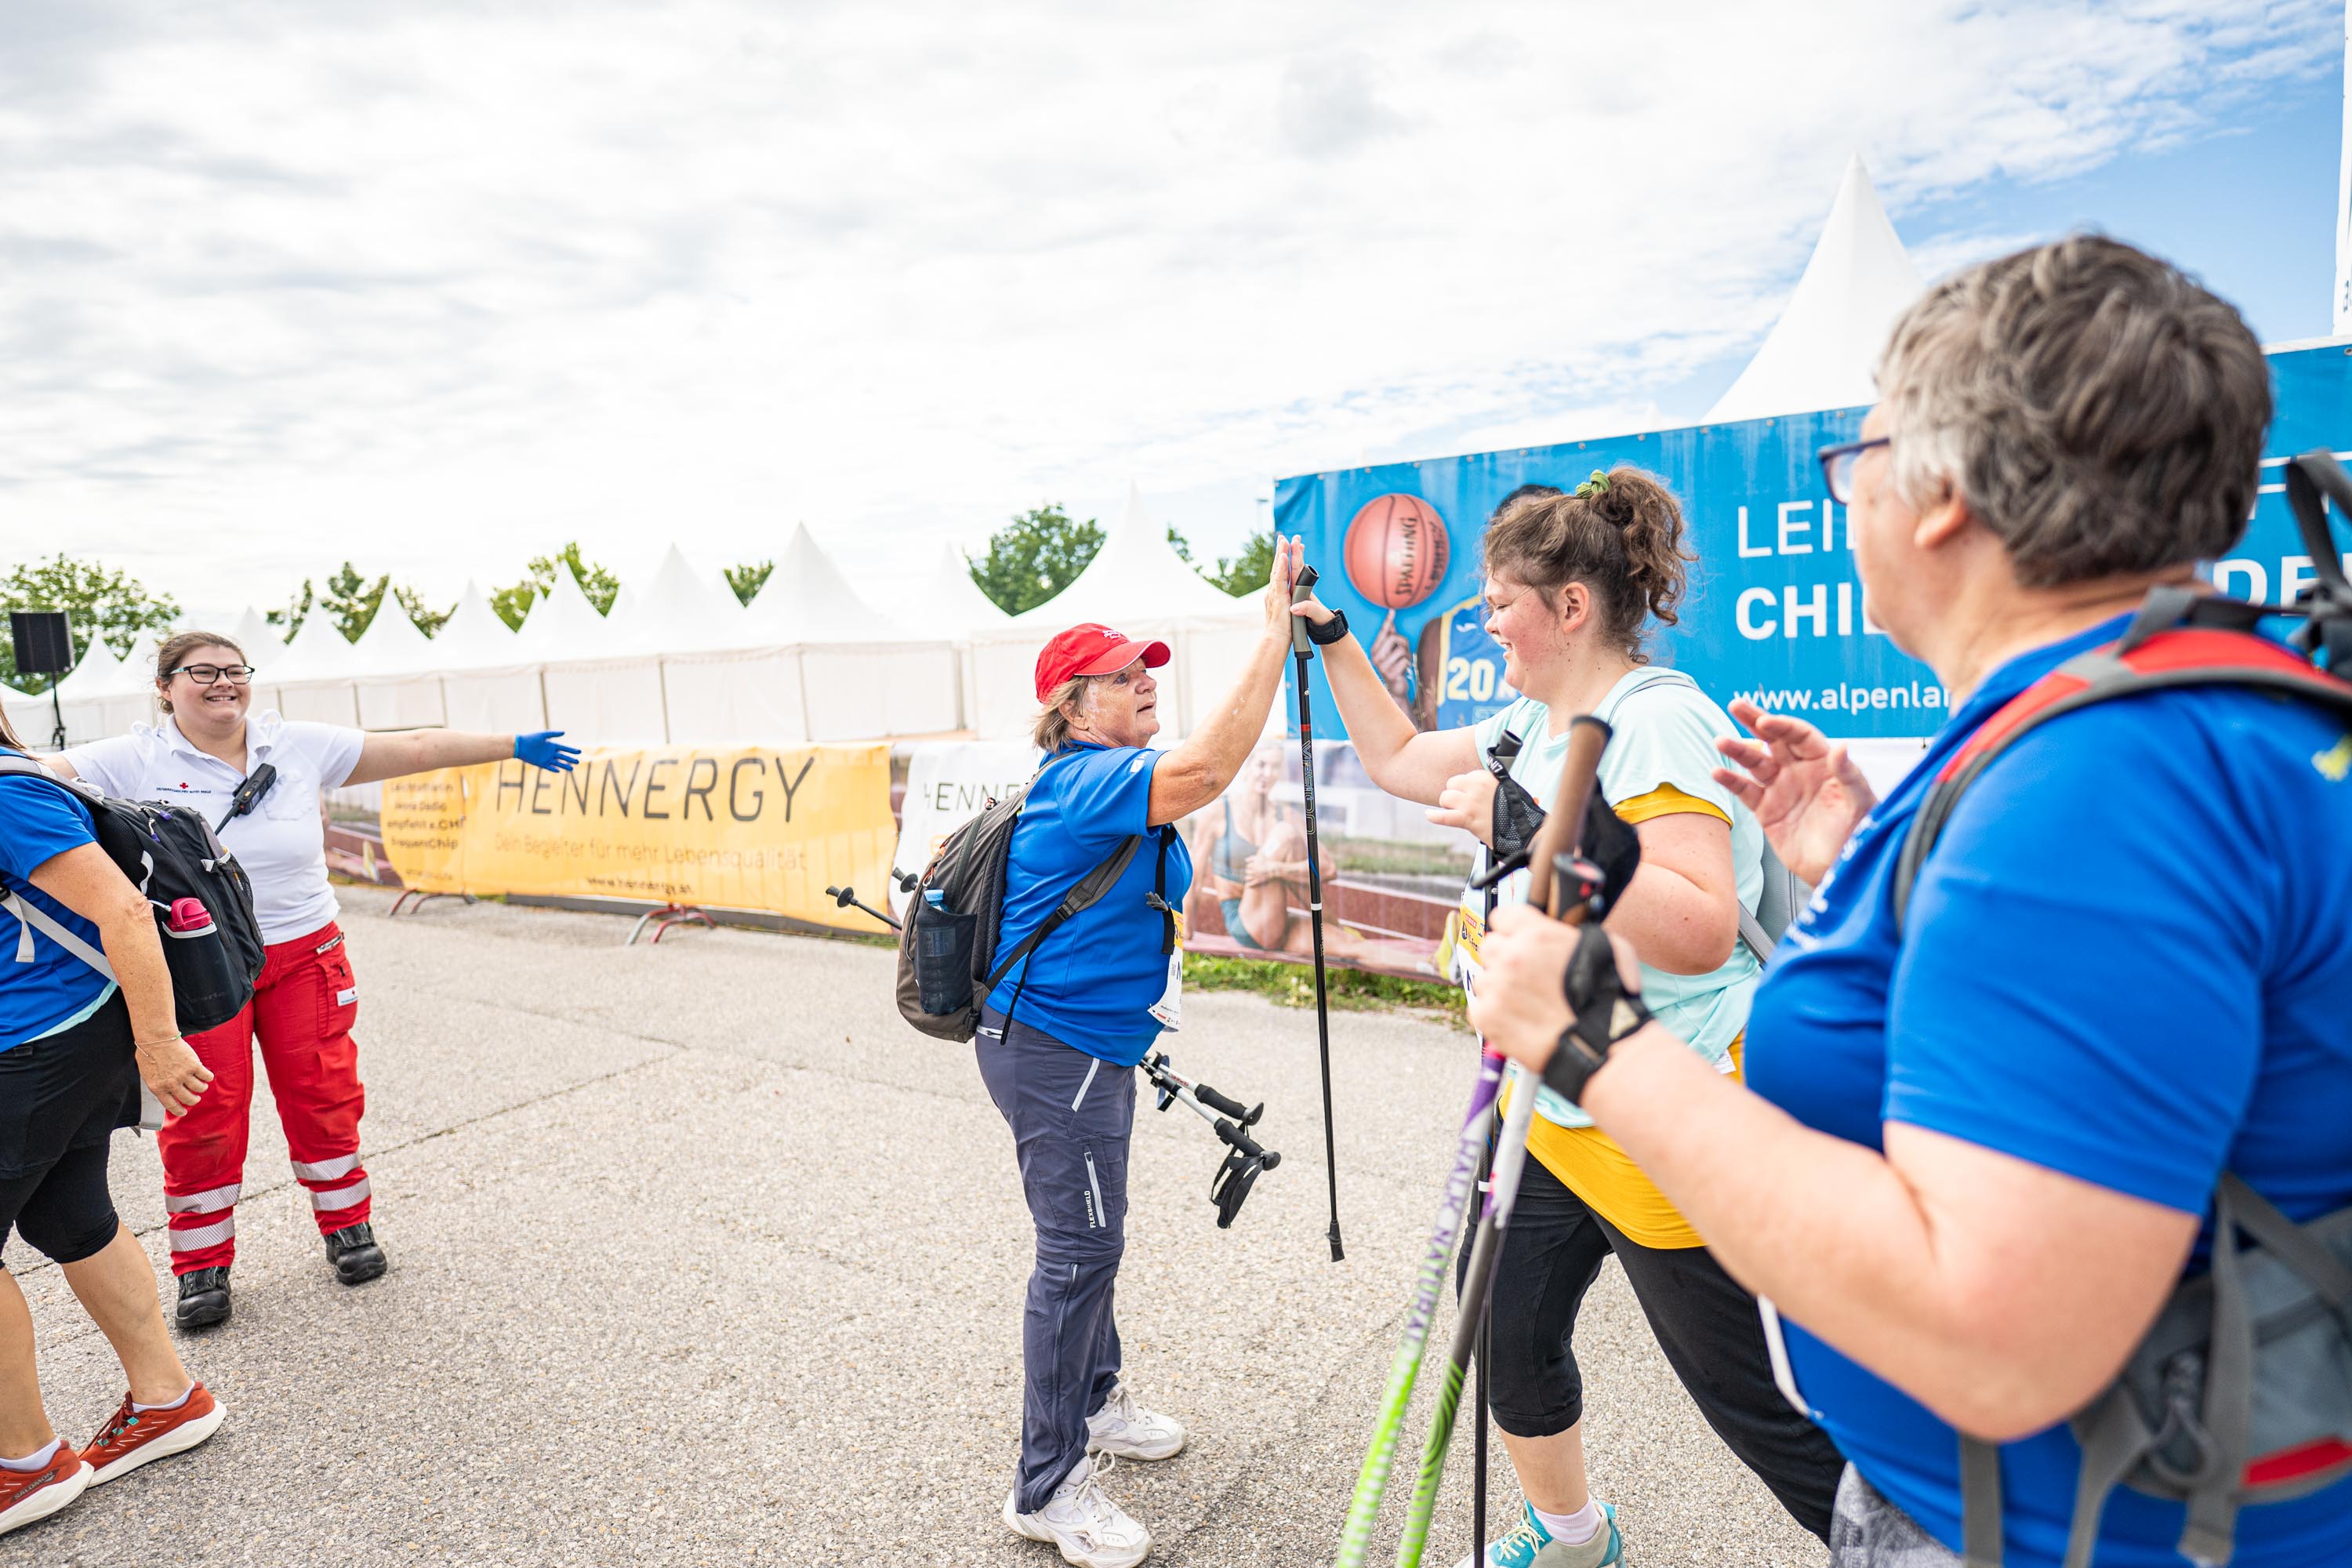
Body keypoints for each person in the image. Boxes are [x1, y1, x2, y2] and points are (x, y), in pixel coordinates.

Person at [1466, 236, 2352, 1567]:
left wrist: (1593, 1040)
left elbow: (1994, 1339)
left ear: (1943, 496)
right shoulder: (2198, 705)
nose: (1850, 496)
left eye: (1860, 458)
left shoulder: (2098, 784)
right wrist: (1862, 863)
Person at [1294, 470, 1843, 1566]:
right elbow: (1398, 760)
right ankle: (1572, 1536)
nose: (1487, 619)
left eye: (1502, 600)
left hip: (1661, 1105)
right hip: (1550, 1105)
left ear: (1573, 607)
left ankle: (1916, 1546)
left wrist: (1527, 829)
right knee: (1510, 1335)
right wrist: (1333, 634)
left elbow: (1698, 924)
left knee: (1761, 1410)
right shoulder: (1530, 721)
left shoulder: (1656, 720)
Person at [52, 629, 581, 1330]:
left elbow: (418, 748)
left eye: (236, 670)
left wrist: (512, 745)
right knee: (203, 1111)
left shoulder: (293, 744)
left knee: (323, 1092)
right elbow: (32, 772)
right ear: (165, 687)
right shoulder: (131, 758)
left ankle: (348, 1225)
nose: (223, 682)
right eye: (202, 672)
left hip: (306, 953)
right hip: (202, 965)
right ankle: (201, 1263)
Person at [985, 538, 1308, 1568]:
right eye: (1123, 676)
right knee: (1077, 1252)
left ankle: (1095, 1400)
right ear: (1074, 707)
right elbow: (1208, 770)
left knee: (1095, 1241)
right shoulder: (1087, 779)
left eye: (1146, 670)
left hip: (1091, 1047)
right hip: (1057, 1050)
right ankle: (1045, 1485)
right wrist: (1272, 636)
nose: (1146, 682)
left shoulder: (1105, 780)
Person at [0, 705, 226, 1539]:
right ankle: (168, 1399)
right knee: (70, 1215)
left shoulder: (8, 795)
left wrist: (160, 1042)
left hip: (42, 1042)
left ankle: (23, 1463)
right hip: (54, 1036)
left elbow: (125, 913)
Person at [1189, 735, 1339, 954]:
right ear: (1247, 765)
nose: (1267, 774)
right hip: (1244, 921)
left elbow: (1328, 868)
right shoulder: (1218, 813)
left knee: (1354, 947)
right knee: (1285, 834)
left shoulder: (1286, 815)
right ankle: (1334, 926)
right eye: (1261, 765)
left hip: (1275, 916)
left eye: (1275, 767)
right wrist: (1185, 932)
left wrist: (1277, 870)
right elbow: (1195, 876)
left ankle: (1334, 928)